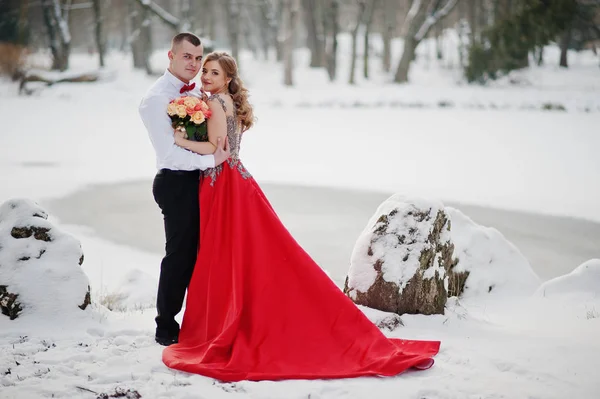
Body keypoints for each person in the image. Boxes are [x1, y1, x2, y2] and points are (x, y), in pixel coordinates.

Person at [161, 51, 441, 382]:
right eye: (204, 71)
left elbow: (216, 149)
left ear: (227, 79)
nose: (206, 76)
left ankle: (238, 317)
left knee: (230, 256)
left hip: (223, 184)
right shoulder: (222, 101)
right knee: (236, 256)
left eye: (214, 72)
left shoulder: (219, 104)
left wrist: (181, 138)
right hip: (229, 182)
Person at [138, 33, 231, 347]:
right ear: (171, 56)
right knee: (180, 255)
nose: (193, 63)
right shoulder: (155, 99)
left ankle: (204, 320)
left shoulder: (201, 91)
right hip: (176, 183)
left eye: (198, 57)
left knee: (209, 253)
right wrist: (211, 161)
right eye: (187, 56)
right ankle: (165, 325)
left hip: (204, 182)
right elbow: (169, 153)